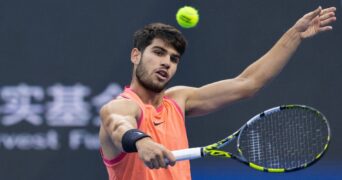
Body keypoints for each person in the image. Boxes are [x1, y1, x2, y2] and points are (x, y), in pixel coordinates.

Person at [99, 6, 336, 180]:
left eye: (173, 59)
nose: (166, 63)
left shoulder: (178, 100)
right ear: (135, 55)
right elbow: (119, 124)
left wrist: (295, 34)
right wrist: (142, 141)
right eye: (158, 53)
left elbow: (248, 83)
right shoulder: (122, 106)